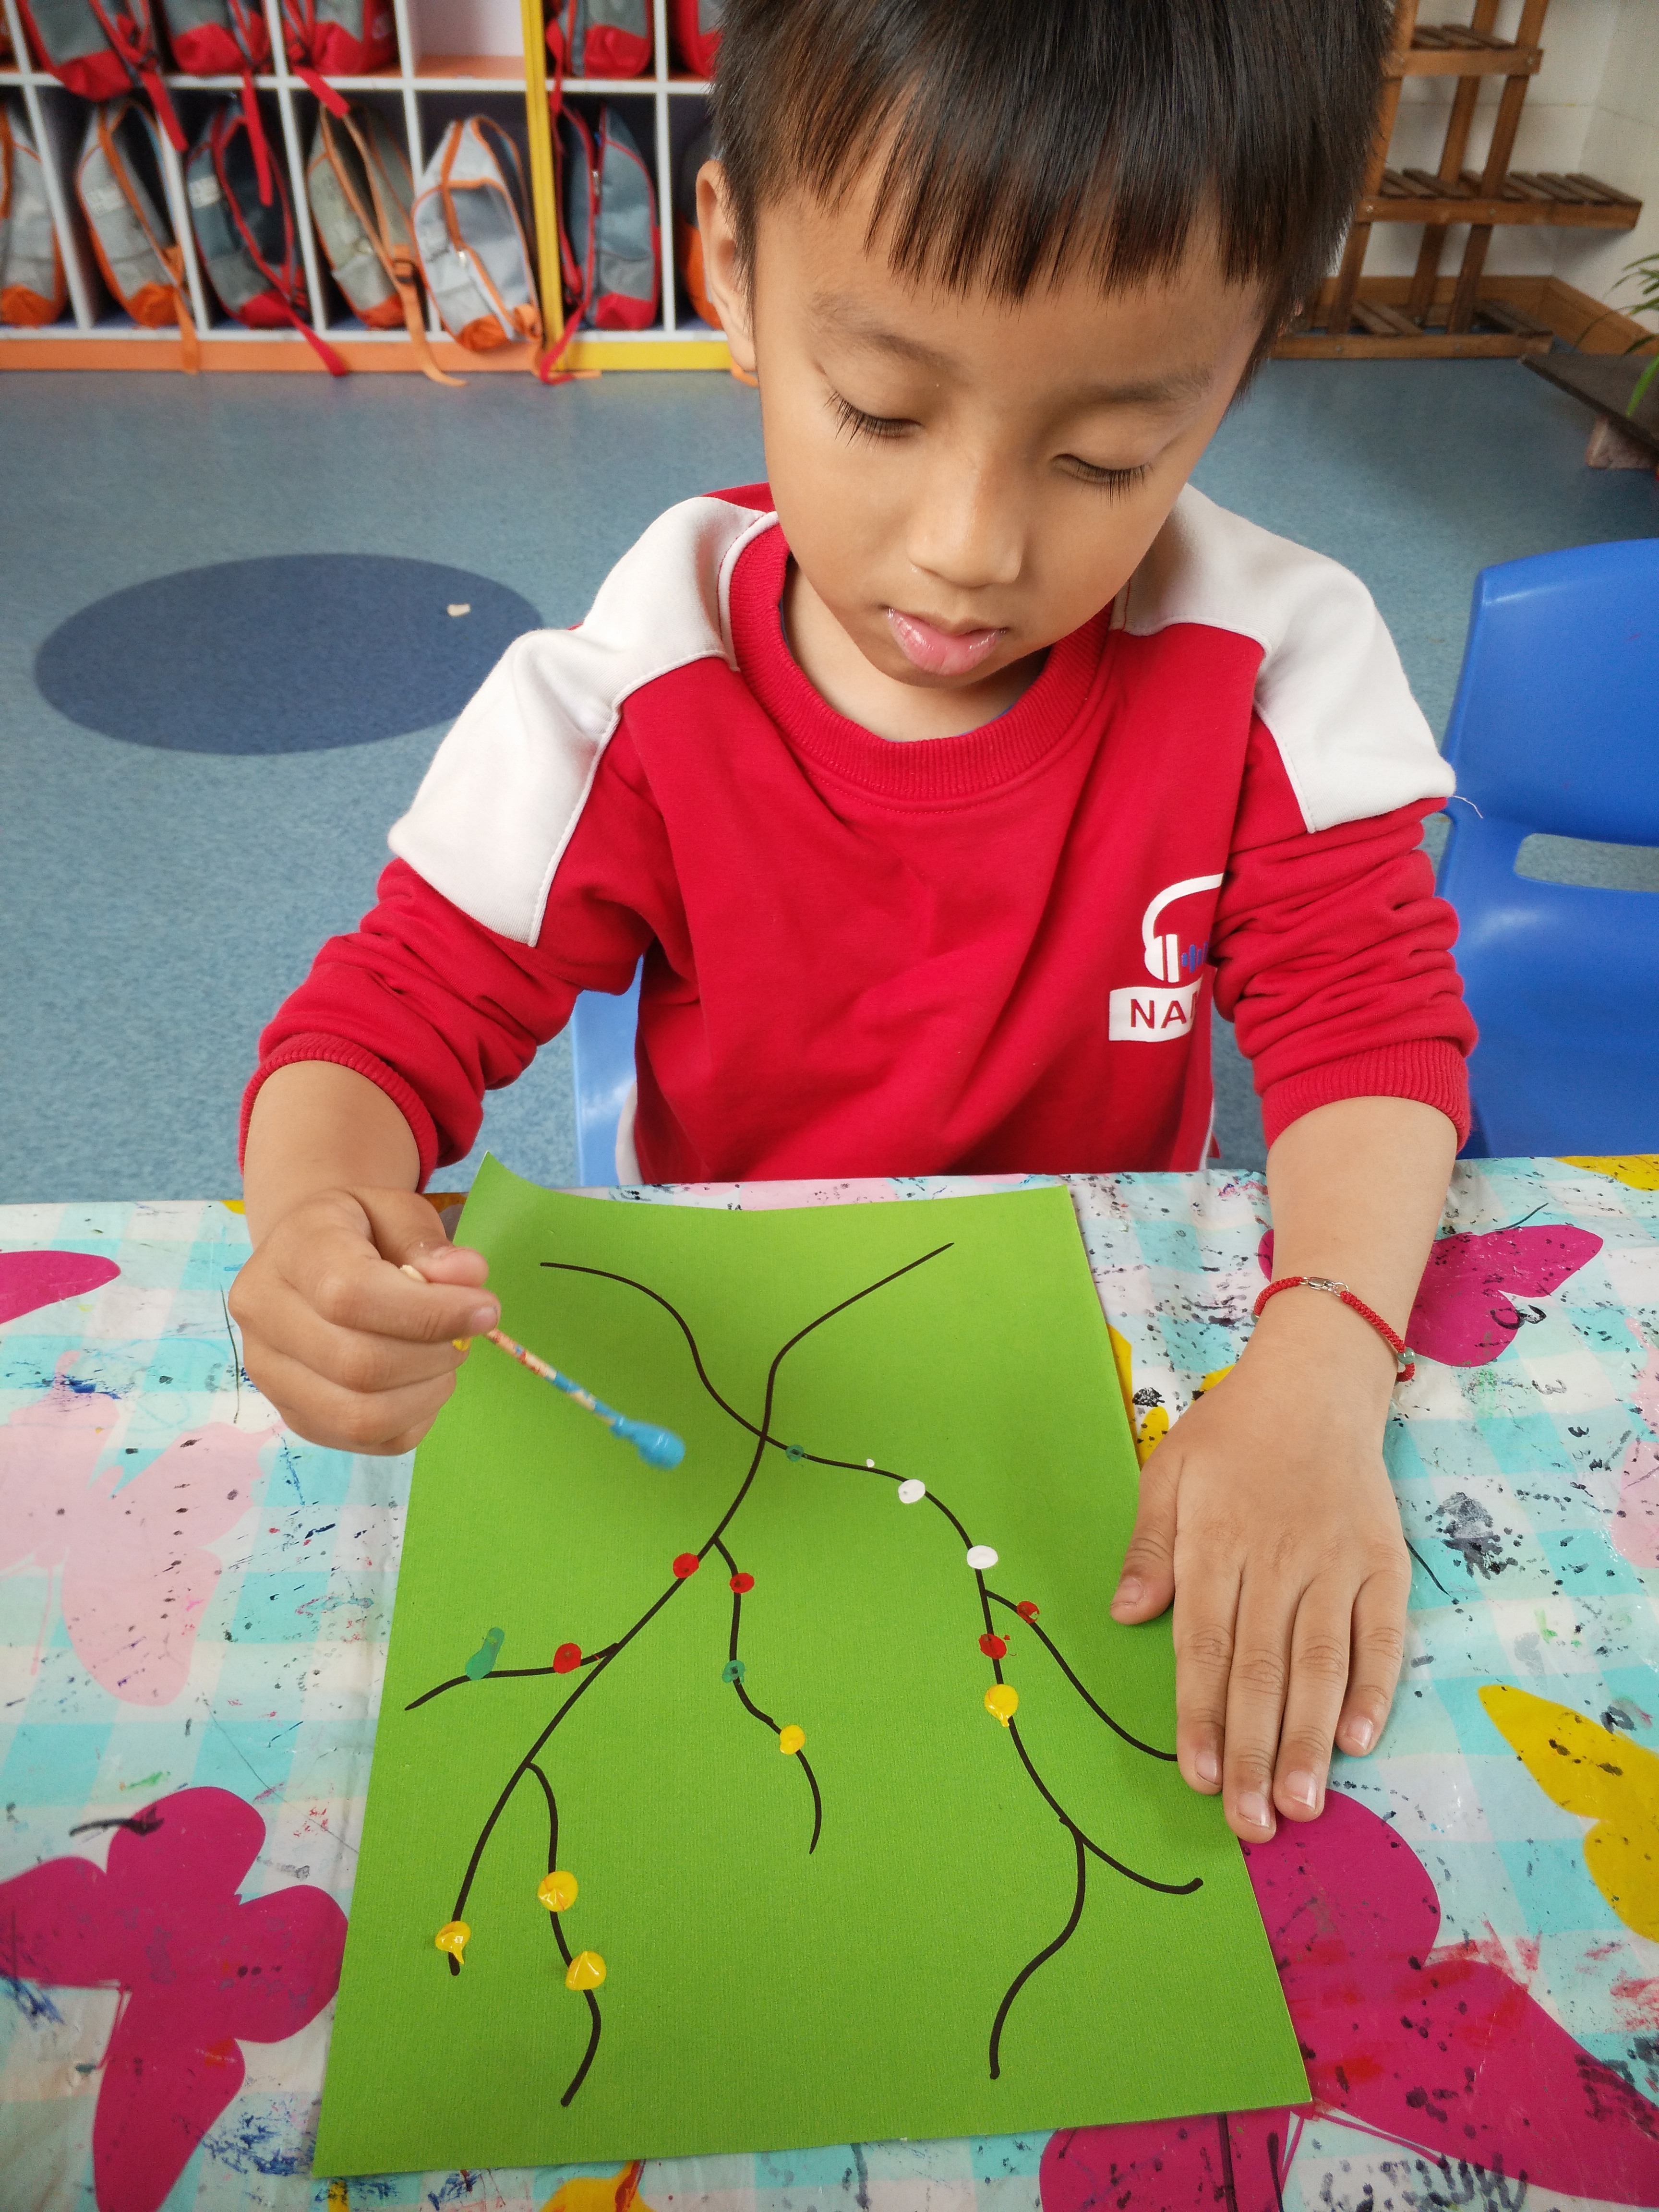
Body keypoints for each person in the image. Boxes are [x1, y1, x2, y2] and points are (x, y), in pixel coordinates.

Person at [231, 0, 1474, 1848]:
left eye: (1108, 456)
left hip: (1094, 1375)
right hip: (731, 1401)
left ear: (1234, 374)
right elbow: (383, 1019)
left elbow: (1370, 1024)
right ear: (733, 267)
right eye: (883, 412)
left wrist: (1323, 1356)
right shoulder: (630, 690)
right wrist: (312, 1220)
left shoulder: (1272, 662)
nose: (970, 545)